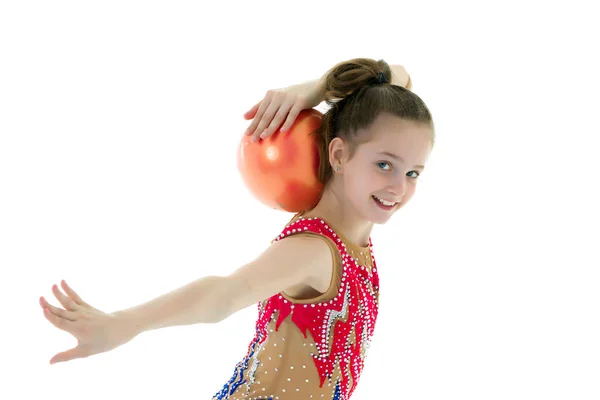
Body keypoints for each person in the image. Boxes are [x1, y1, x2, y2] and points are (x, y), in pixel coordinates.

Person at [39, 57, 435, 399]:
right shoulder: (316, 249)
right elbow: (223, 295)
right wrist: (123, 324)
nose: (398, 187)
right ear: (339, 154)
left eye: (413, 172)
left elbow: (394, 81)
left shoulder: (354, 243)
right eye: (384, 164)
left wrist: (316, 89)